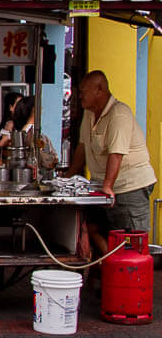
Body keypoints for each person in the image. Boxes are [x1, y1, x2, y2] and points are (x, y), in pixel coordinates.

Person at [67, 70, 157, 255]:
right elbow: (82, 148)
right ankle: (103, 275)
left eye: (84, 90)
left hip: (130, 187)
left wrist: (108, 186)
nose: (80, 95)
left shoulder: (119, 113)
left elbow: (116, 153)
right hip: (102, 187)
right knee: (94, 230)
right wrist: (67, 176)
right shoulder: (90, 114)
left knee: (130, 244)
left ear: (99, 90)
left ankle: (127, 280)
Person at [10, 96, 58, 172]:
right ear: (34, 110)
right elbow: (48, 160)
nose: (42, 110)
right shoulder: (33, 135)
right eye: (40, 107)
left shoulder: (19, 134)